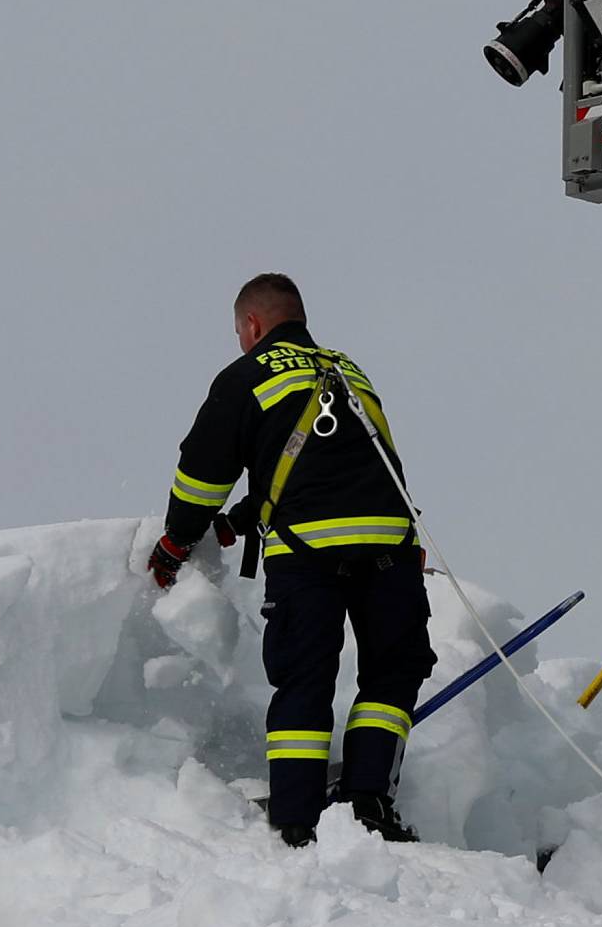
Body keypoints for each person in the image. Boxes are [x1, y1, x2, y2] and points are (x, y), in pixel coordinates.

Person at [148, 273, 434, 849]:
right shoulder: (348, 372)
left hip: (308, 555)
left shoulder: (246, 376)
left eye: (239, 332)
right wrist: (242, 518)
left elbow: (202, 473)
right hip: (390, 548)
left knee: (305, 680)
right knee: (390, 675)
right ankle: (367, 802)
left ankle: (298, 820)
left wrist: (179, 539)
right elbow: (318, 463)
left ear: (253, 325)